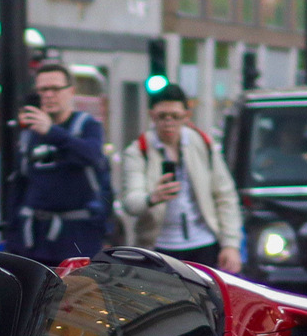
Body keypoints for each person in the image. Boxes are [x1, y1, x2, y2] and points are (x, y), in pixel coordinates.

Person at [116, 85, 241, 271]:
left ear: (186, 116)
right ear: (152, 116)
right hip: (158, 247)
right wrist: (152, 198)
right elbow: (131, 203)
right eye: (162, 116)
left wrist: (230, 245)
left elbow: (225, 195)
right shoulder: (139, 151)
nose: (168, 122)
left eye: (175, 116)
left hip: (204, 243)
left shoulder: (202, 143)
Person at [12, 62, 110, 263]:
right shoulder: (29, 133)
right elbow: (19, 184)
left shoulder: (86, 125)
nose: (48, 95)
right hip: (35, 237)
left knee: (74, 292)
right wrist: (13, 237)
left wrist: (52, 132)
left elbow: (93, 156)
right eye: (43, 90)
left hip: (77, 236)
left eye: (55, 89)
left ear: (71, 91)